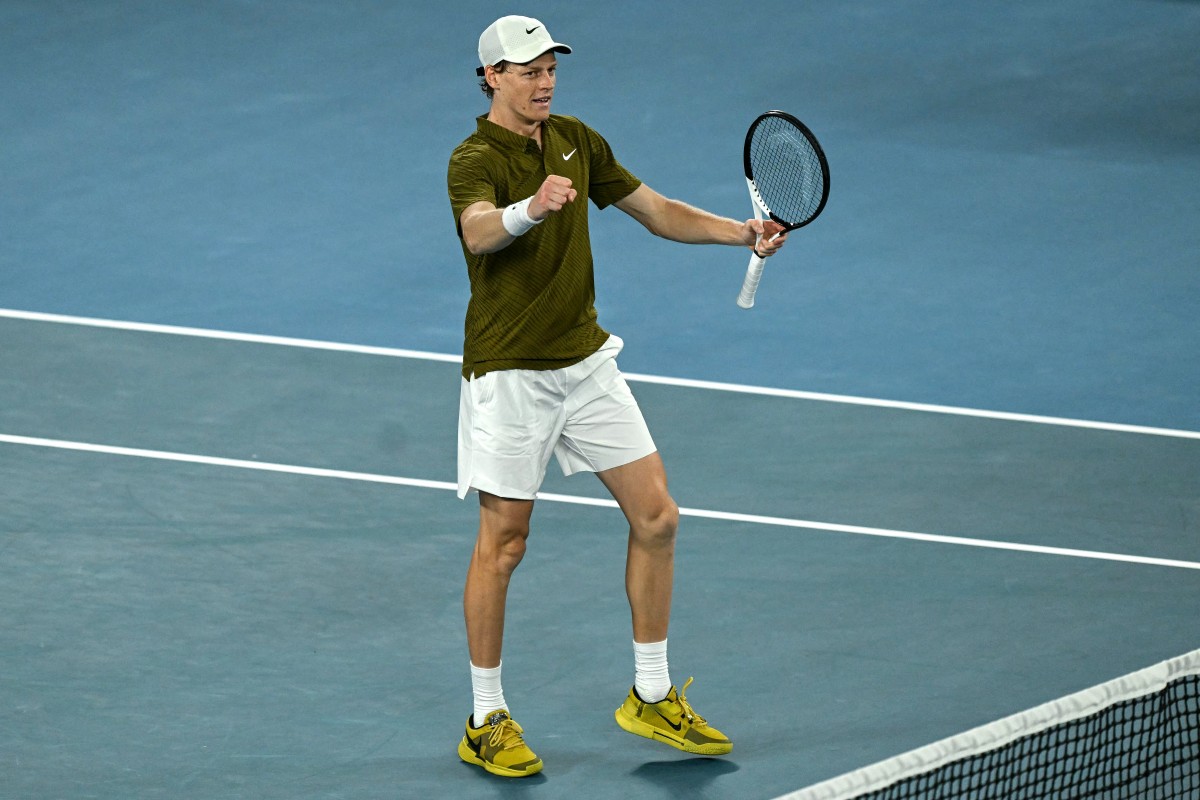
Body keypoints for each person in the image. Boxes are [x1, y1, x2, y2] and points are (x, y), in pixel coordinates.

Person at [447, 15, 788, 778]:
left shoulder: (576, 138)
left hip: (585, 362)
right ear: (492, 77)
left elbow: (655, 209)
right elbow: (477, 233)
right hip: (510, 373)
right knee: (504, 545)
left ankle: (652, 694)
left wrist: (742, 232)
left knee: (658, 516)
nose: (545, 82)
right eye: (529, 71)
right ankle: (485, 716)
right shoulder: (473, 158)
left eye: (550, 69)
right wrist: (530, 210)